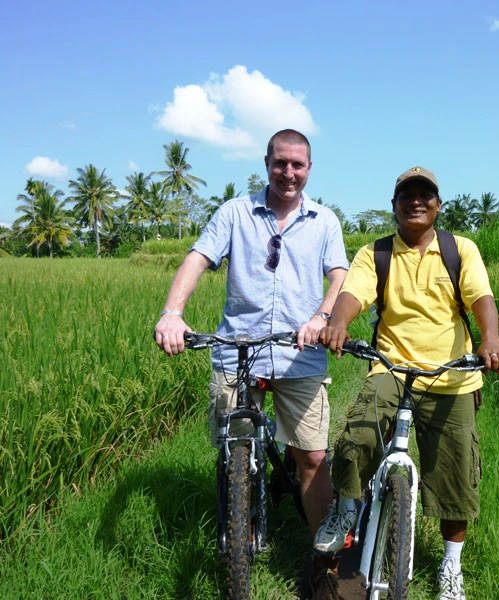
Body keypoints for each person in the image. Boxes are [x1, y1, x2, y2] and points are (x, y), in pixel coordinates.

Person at [154, 129, 348, 600]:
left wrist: (322, 315)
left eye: (298, 165)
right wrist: (172, 312)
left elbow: (340, 275)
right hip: (236, 349)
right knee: (231, 453)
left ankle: (325, 561)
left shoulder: (324, 220)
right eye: (280, 163)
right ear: (267, 163)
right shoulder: (234, 212)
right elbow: (198, 258)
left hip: (299, 354)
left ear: (309, 169)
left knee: (313, 457)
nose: (289, 173)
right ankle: (239, 532)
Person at [313, 166, 499, 600]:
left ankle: (450, 568)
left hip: (452, 375)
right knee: (356, 438)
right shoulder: (375, 253)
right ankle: (346, 509)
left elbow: (481, 298)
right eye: (407, 194)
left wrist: (491, 342)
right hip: (390, 369)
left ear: (438, 204)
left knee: (456, 474)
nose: (416, 201)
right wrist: (338, 324)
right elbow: (353, 293)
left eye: (425, 195)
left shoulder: (461, 250)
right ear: (394, 204)